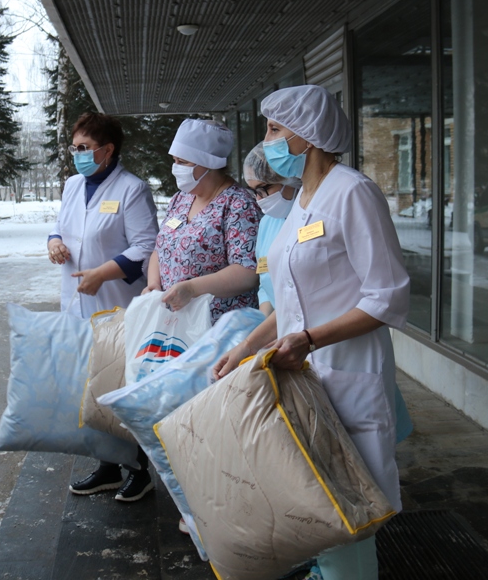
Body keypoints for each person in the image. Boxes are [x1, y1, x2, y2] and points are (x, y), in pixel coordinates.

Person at [214, 85, 410, 580]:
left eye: (276, 130)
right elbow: (293, 302)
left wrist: (311, 339)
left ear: (310, 135)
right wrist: (246, 347)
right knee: (320, 501)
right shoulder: (301, 201)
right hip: (306, 378)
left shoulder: (353, 192)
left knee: (352, 509)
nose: (267, 141)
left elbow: (387, 297)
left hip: (348, 374)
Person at [48, 112, 159, 502]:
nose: (75, 155)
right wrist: (54, 242)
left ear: (107, 150)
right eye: (73, 147)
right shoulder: (73, 185)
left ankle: (138, 470)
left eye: (83, 148)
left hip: (116, 305)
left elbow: (147, 245)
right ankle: (107, 466)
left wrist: (105, 273)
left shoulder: (132, 189)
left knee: (121, 388)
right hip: (77, 304)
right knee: (91, 390)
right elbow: (61, 225)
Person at [143, 118, 261, 323]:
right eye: (175, 160)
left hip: (218, 327)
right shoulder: (181, 198)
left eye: (184, 162)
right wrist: (154, 284)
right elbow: (160, 249)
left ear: (209, 163)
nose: (176, 168)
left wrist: (192, 288)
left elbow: (247, 272)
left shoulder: (238, 205)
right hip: (175, 325)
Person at [241, 142, 301, 315]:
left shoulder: (316, 217)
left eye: (262, 189)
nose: (259, 199)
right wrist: (264, 320)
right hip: (281, 326)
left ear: (290, 179)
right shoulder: (267, 222)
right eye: (254, 192)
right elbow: (266, 281)